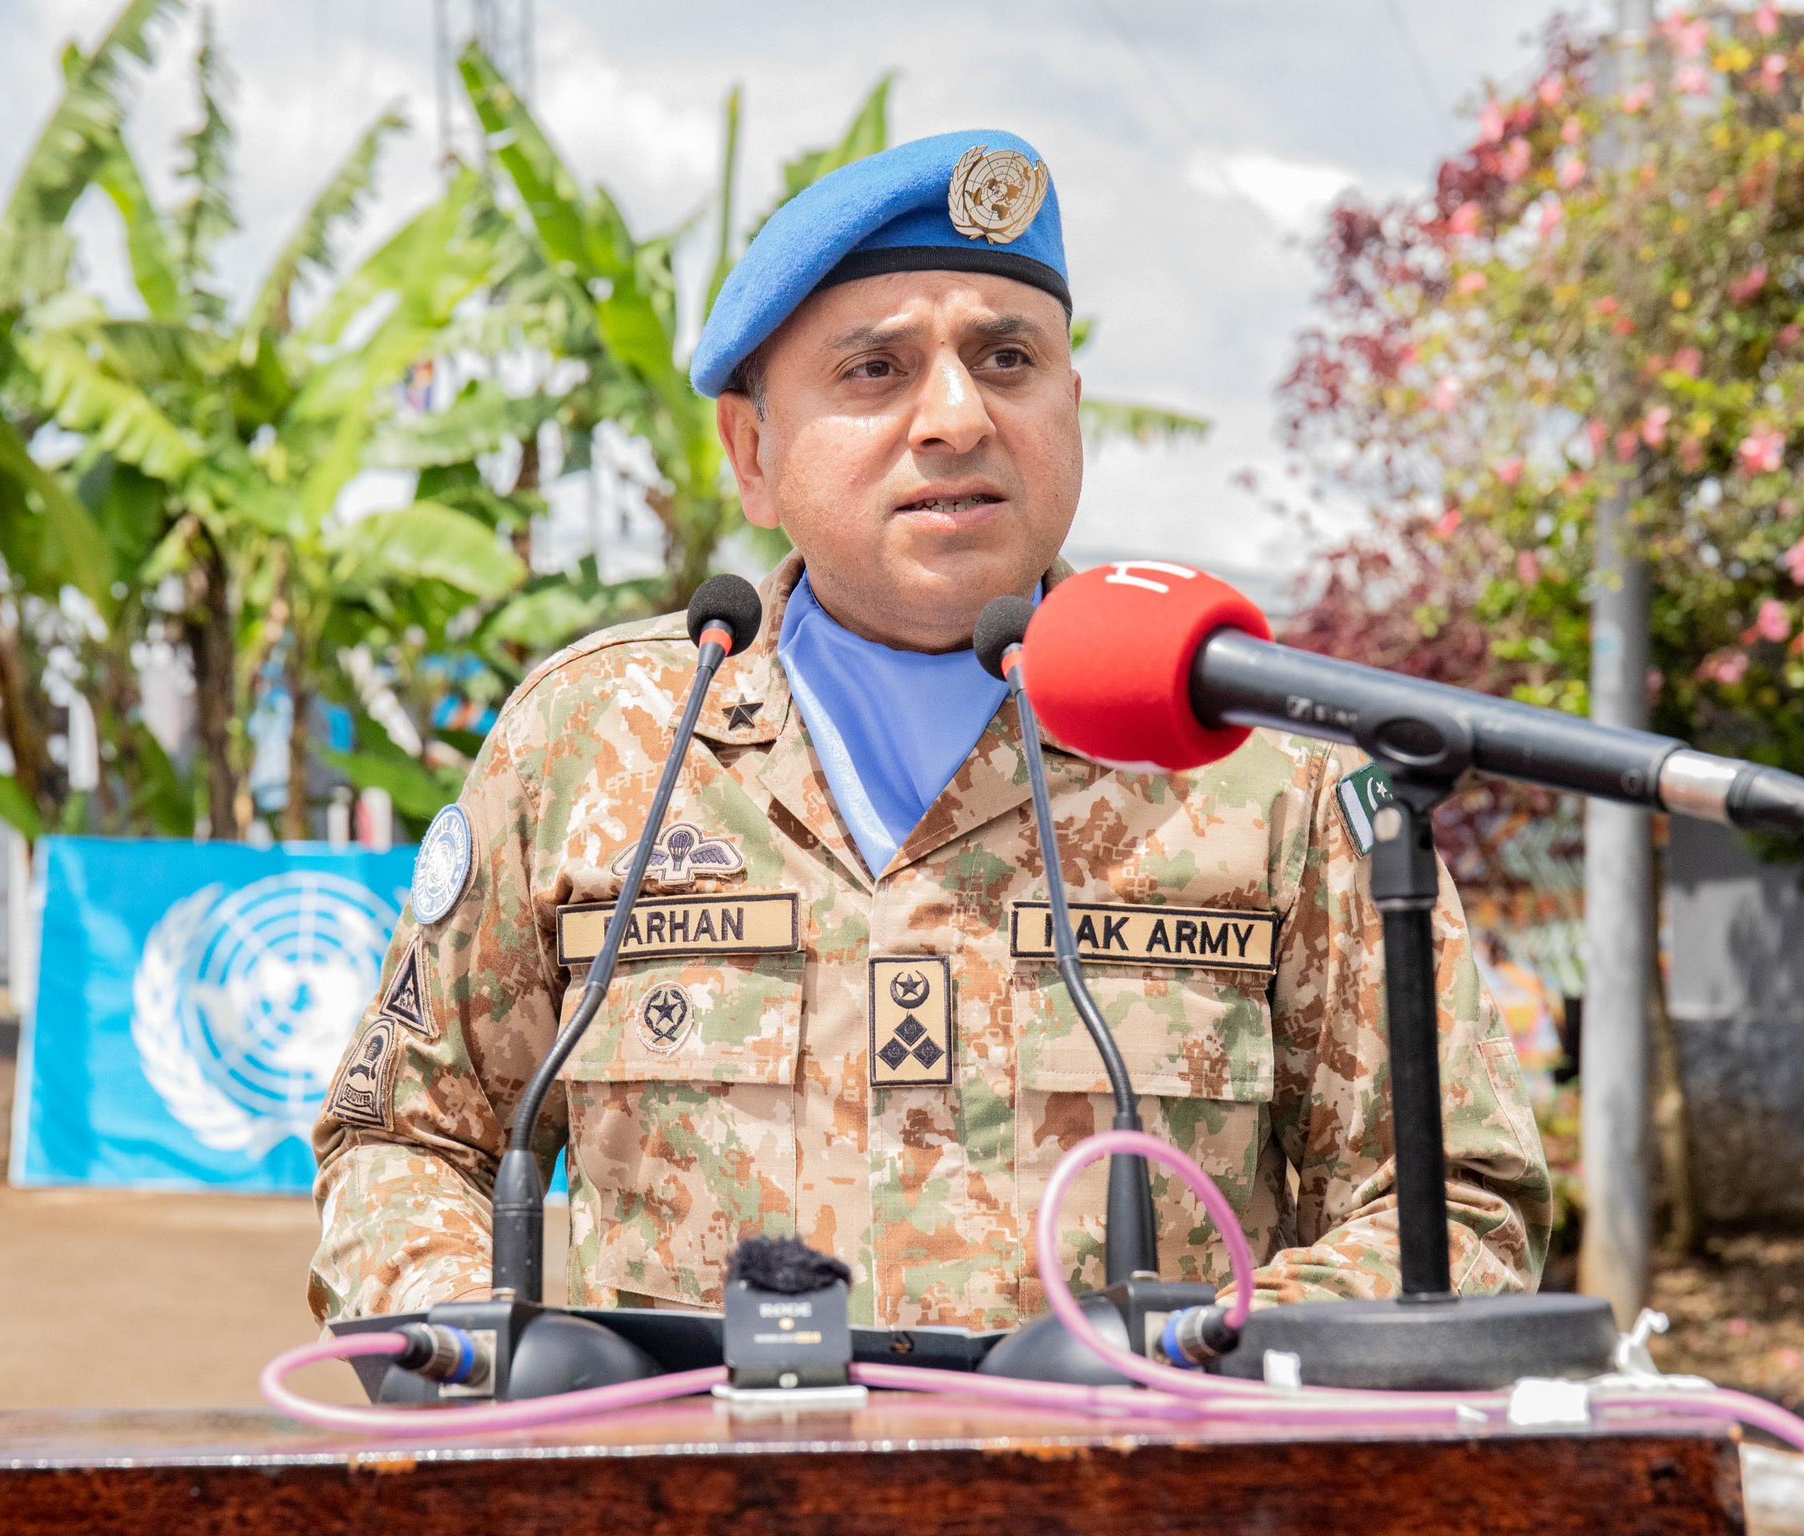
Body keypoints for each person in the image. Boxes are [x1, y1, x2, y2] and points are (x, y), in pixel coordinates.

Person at [308, 130, 1549, 1331]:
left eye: (1006, 360)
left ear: (1072, 406)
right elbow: (403, 1140)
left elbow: (1455, 1207)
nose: (955, 415)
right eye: (874, 370)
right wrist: (494, 1363)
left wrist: (1194, 1353)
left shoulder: (1258, 757)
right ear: (752, 452)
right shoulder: (593, 745)